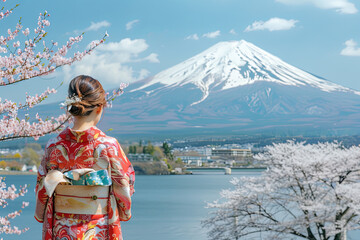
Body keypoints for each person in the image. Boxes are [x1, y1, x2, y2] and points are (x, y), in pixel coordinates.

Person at [34, 75, 135, 240]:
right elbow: (124, 185)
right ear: (99, 108)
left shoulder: (53, 146)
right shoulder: (109, 146)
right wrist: (125, 210)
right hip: (98, 228)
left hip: (61, 228)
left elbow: (42, 187)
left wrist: (40, 212)